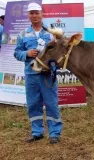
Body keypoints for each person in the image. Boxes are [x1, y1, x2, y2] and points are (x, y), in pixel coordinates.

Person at [14, 3, 63, 144]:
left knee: (51, 104)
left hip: (47, 75)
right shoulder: (23, 34)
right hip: (30, 75)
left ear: (42, 14)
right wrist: (26, 53)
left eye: (37, 13)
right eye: (31, 13)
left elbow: (60, 50)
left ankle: (54, 133)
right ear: (28, 15)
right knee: (33, 104)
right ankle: (37, 132)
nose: (34, 16)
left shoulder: (52, 33)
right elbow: (17, 52)